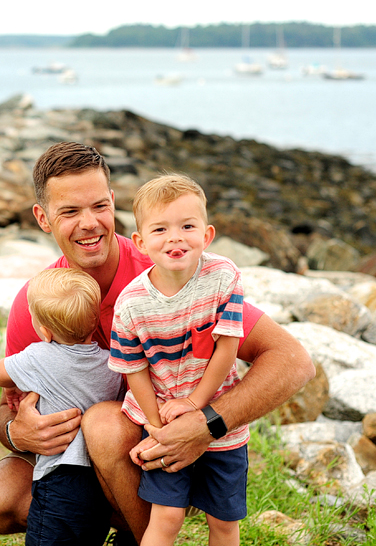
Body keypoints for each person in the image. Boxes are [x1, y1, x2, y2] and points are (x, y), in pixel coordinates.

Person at [0, 141, 315, 544]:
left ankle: (142, 537)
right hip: (80, 468)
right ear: (43, 218)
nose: (89, 223)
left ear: (113, 202)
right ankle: (99, 524)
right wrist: (18, 434)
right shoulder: (38, 300)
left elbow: (294, 362)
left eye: (99, 206)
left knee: (103, 423)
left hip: (170, 456)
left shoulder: (170, 270)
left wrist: (205, 426)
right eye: (69, 211)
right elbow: (5, 409)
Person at [109, 174, 247, 546]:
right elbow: (133, 368)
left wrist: (195, 404)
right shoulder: (131, 303)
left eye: (188, 226)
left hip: (221, 423)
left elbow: (227, 348)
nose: (175, 237)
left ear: (207, 234)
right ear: (140, 242)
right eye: (160, 229)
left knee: (223, 521)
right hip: (162, 421)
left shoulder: (224, 277)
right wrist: (157, 426)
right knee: (167, 516)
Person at [0, 268, 124, 546]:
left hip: (59, 477)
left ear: (45, 331)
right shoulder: (112, 364)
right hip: (101, 478)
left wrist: (11, 384)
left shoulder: (39, 356)